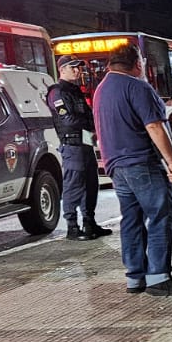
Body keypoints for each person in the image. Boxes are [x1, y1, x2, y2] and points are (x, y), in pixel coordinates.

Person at [91, 43, 172, 296]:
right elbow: (155, 127)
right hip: (142, 162)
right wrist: (171, 162)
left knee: (131, 220)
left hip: (116, 165)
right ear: (137, 64)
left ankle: (135, 277)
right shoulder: (137, 87)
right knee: (161, 215)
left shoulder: (101, 90)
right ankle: (159, 276)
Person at [47, 57, 110, 241]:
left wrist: (93, 126)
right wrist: (90, 125)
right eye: (73, 68)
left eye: (78, 68)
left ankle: (89, 224)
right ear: (62, 70)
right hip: (72, 144)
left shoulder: (75, 91)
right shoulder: (57, 92)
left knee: (91, 184)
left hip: (85, 143)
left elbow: (87, 115)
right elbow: (68, 120)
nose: (77, 71)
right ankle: (72, 227)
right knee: (74, 185)